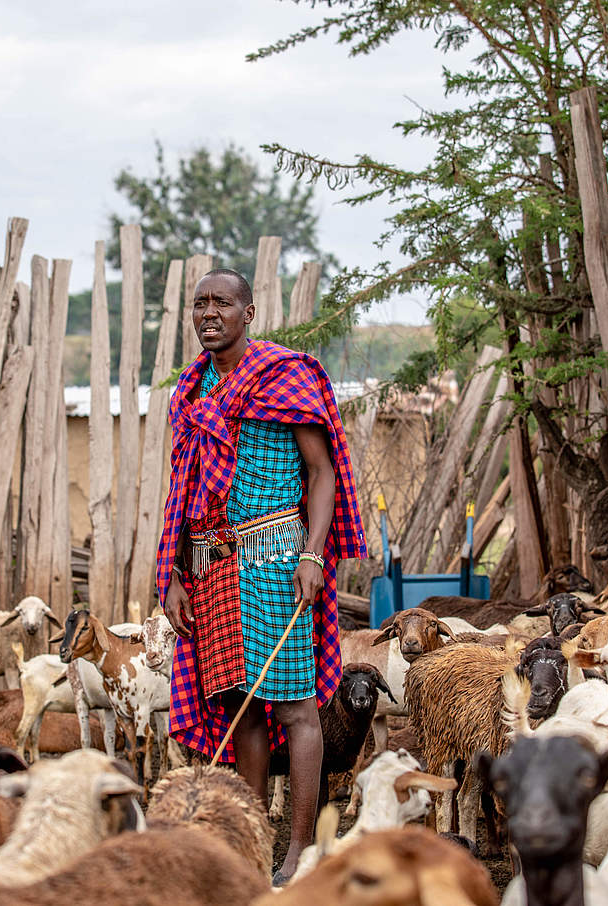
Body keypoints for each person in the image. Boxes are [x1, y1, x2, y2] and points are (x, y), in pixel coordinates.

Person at [156, 268, 366, 882]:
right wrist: (173, 577)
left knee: (294, 708)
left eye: (222, 302)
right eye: (200, 304)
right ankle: (250, 842)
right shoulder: (191, 394)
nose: (209, 313)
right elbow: (182, 492)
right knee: (241, 711)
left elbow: (321, 470)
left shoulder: (284, 375)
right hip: (211, 565)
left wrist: (314, 554)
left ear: (250, 312)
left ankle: (300, 850)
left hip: (276, 559)